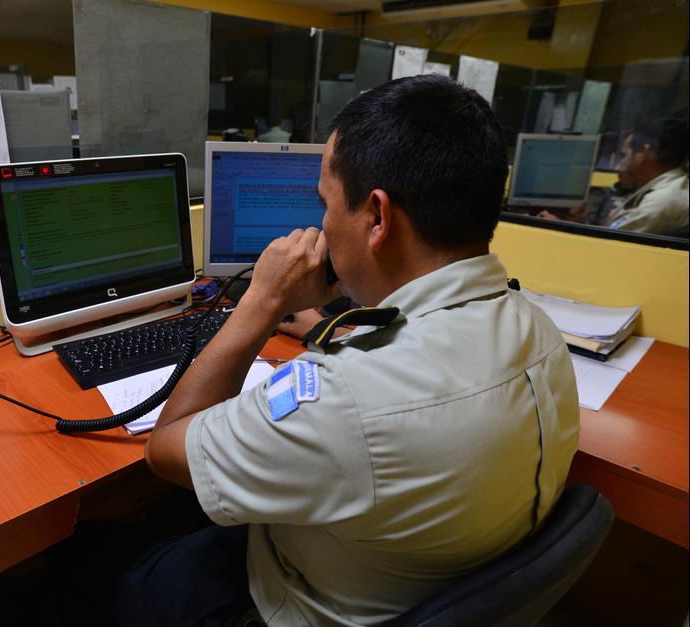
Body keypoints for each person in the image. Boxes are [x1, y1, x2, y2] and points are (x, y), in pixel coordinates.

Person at [124, 75, 580, 626]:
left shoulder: (344, 401)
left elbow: (166, 450)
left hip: (294, 604)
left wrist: (261, 302)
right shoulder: (539, 331)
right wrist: (330, 329)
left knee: (138, 572)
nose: (322, 224)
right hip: (419, 579)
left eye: (327, 203)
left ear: (378, 218)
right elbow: (418, 367)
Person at [602, 118, 689, 236]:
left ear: (643, 152)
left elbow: (606, 239)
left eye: (624, 155)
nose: (618, 167)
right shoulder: (673, 187)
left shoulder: (660, 201)